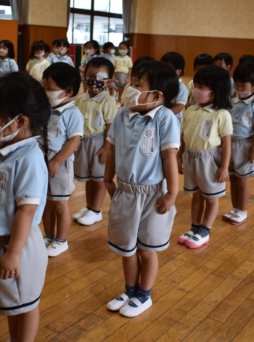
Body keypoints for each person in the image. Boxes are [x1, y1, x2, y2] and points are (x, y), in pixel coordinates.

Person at [0, 72, 49, 342]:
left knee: (25, 304)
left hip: (16, 245)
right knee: (12, 304)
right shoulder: (0, 150)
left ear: (21, 121)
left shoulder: (28, 158)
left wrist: (14, 253)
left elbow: (26, 211)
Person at [104, 61, 180, 317]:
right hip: (125, 192)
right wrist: (107, 179)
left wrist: (172, 193)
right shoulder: (122, 115)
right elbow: (112, 148)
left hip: (153, 194)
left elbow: (169, 156)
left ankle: (144, 294)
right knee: (127, 248)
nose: (129, 89)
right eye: (130, 83)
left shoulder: (164, 117)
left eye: (137, 85)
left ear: (157, 95)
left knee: (147, 249)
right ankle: (130, 289)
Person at [178, 65, 232, 248]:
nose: (196, 90)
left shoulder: (222, 114)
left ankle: (205, 229)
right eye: (196, 85)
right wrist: (180, 155)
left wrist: (224, 167)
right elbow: (184, 135)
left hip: (209, 160)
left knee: (210, 196)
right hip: (191, 157)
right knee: (196, 195)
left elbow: (226, 143)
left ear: (216, 92)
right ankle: (194, 227)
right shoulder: (191, 110)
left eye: (202, 87)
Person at [42, 63, 83, 257]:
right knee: (46, 203)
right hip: (43, 162)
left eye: (49, 88)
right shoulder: (46, 110)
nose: (45, 92)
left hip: (60, 164)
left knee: (59, 203)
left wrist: (57, 161)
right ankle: (48, 236)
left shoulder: (72, 112)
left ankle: (61, 240)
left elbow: (74, 140)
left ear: (67, 92)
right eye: (44, 87)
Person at [73, 57, 118, 225]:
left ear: (109, 81)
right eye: (91, 76)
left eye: (100, 78)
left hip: (100, 143)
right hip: (83, 142)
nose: (95, 81)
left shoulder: (108, 101)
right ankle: (89, 207)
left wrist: (107, 148)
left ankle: (96, 210)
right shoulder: (80, 99)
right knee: (89, 178)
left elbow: (111, 126)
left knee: (99, 179)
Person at [223, 62, 254, 224]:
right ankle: (235, 208)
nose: (240, 88)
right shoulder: (232, 101)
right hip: (230, 144)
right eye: (237, 84)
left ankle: (242, 210)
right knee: (233, 178)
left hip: (245, 145)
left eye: (244, 85)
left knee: (242, 180)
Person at [160, 51, 189, 123]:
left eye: (169, 69)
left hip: (173, 119)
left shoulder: (181, 87)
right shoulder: (160, 83)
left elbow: (179, 106)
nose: (164, 72)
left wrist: (165, 116)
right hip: (160, 117)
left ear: (178, 72)